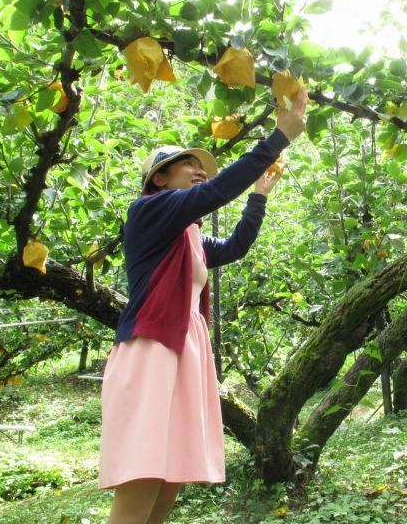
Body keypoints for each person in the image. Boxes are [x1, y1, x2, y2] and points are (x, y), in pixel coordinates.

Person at [99, 88, 308, 524]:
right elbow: (212, 194)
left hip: (184, 350)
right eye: (188, 165)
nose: (199, 171)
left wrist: (259, 196)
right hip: (152, 348)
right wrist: (279, 137)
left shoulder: (188, 235)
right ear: (160, 178)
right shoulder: (148, 213)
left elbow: (234, 246)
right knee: (142, 476)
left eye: (201, 166)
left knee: (168, 483)